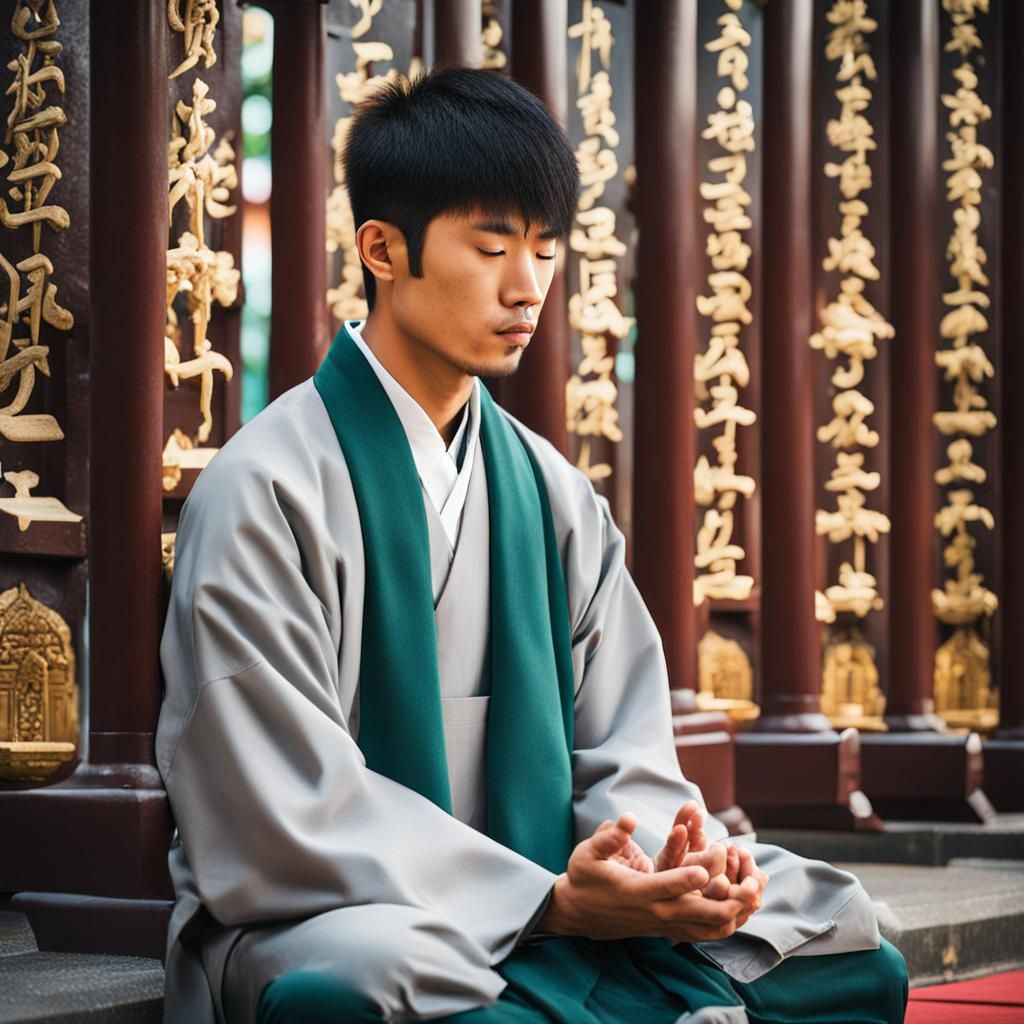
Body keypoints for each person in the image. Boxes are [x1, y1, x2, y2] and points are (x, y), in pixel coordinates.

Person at [156, 67, 908, 1024]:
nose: (528, 287)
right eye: (492, 246)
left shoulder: (555, 492)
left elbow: (625, 743)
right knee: (346, 992)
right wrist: (549, 903)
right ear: (383, 249)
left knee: (855, 952)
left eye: (546, 251)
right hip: (355, 907)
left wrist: (657, 865)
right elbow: (281, 810)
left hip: (571, 896)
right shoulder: (264, 489)